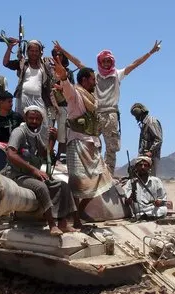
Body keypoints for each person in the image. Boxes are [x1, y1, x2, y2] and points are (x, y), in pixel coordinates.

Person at [53, 40, 162, 175]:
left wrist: (150, 52)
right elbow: (78, 63)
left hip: (111, 115)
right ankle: (94, 172)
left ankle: (109, 174)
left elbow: (134, 64)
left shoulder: (117, 75)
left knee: (111, 148)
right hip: (95, 115)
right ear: (99, 62)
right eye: (104, 61)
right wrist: (62, 50)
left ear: (112, 62)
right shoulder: (95, 77)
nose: (106, 64)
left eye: (108, 61)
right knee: (92, 144)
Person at [54, 55, 113, 216]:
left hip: (92, 145)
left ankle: (78, 213)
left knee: (100, 181)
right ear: (85, 80)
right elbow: (67, 88)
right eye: (93, 79)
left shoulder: (92, 99)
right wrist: (64, 77)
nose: (95, 82)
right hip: (78, 144)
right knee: (78, 183)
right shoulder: (75, 95)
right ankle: (73, 216)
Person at [6, 105, 79, 236]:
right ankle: (51, 224)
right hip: (19, 176)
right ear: (25, 118)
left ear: (41, 120)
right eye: (31, 118)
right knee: (41, 187)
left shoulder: (36, 134)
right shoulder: (19, 132)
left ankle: (63, 222)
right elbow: (11, 153)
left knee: (63, 185)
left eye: (37, 119)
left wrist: (52, 140)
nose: (34, 121)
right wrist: (34, 170)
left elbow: (45, 155)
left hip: (32, 175)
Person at [3, 39, 54, 121]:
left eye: (36, 51)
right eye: (32, 50)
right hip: (23, 98)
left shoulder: (45, 65)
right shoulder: (22, 63)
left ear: (40, 52)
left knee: (42, 123)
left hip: (39, 99)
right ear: (27, 51)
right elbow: (6, 63)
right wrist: (10, 48)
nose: (34, 53)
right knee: (22, 122)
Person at [130, 103, 163, 176]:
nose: (136, 118)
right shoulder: (144, 123)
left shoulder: (151, 122)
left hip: (151, 157)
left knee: (150, 179)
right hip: (144, 156)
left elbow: (158, 139)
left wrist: (151, 151)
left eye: (137, 116)